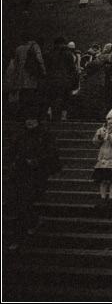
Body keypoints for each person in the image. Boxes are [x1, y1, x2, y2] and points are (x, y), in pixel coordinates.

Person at [9, 107, 61, 250]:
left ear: (38, 121)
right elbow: (12, 151)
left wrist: (37, 161)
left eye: (32, 119)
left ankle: (26, 229)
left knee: (26, 201)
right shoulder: (21, 135)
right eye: (27, 119)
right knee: (20, 202)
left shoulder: (45, 135)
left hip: (37, 173)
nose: (29, 122)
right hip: (21, 173)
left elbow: (52, 153)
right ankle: (26, 228)